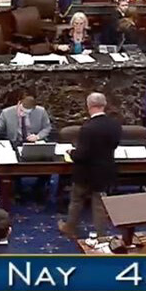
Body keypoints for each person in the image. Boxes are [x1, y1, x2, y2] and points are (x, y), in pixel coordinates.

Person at [59, 93, 122, 239]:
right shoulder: (115, 124)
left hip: (85, 173)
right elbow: (114, 145)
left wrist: (71, 152)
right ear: (104, 105)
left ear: (88, 106)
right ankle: (101, 235)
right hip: (104, 171)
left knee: (76, 201)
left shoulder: (88, 128)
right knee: (100, 205)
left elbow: (82, 155)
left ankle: (70, 228)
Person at [0, 95, 53, 201]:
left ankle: (39, 188)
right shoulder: (7, 113)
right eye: (22, 111)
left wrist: (38, 136)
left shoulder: (41, 112)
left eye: (28, 112)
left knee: (46, 163)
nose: (24, 114)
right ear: (19, 104)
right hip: (15, 143)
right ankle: (17, 189)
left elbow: (47, 127)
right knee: (13, 166)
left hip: (34, 142)